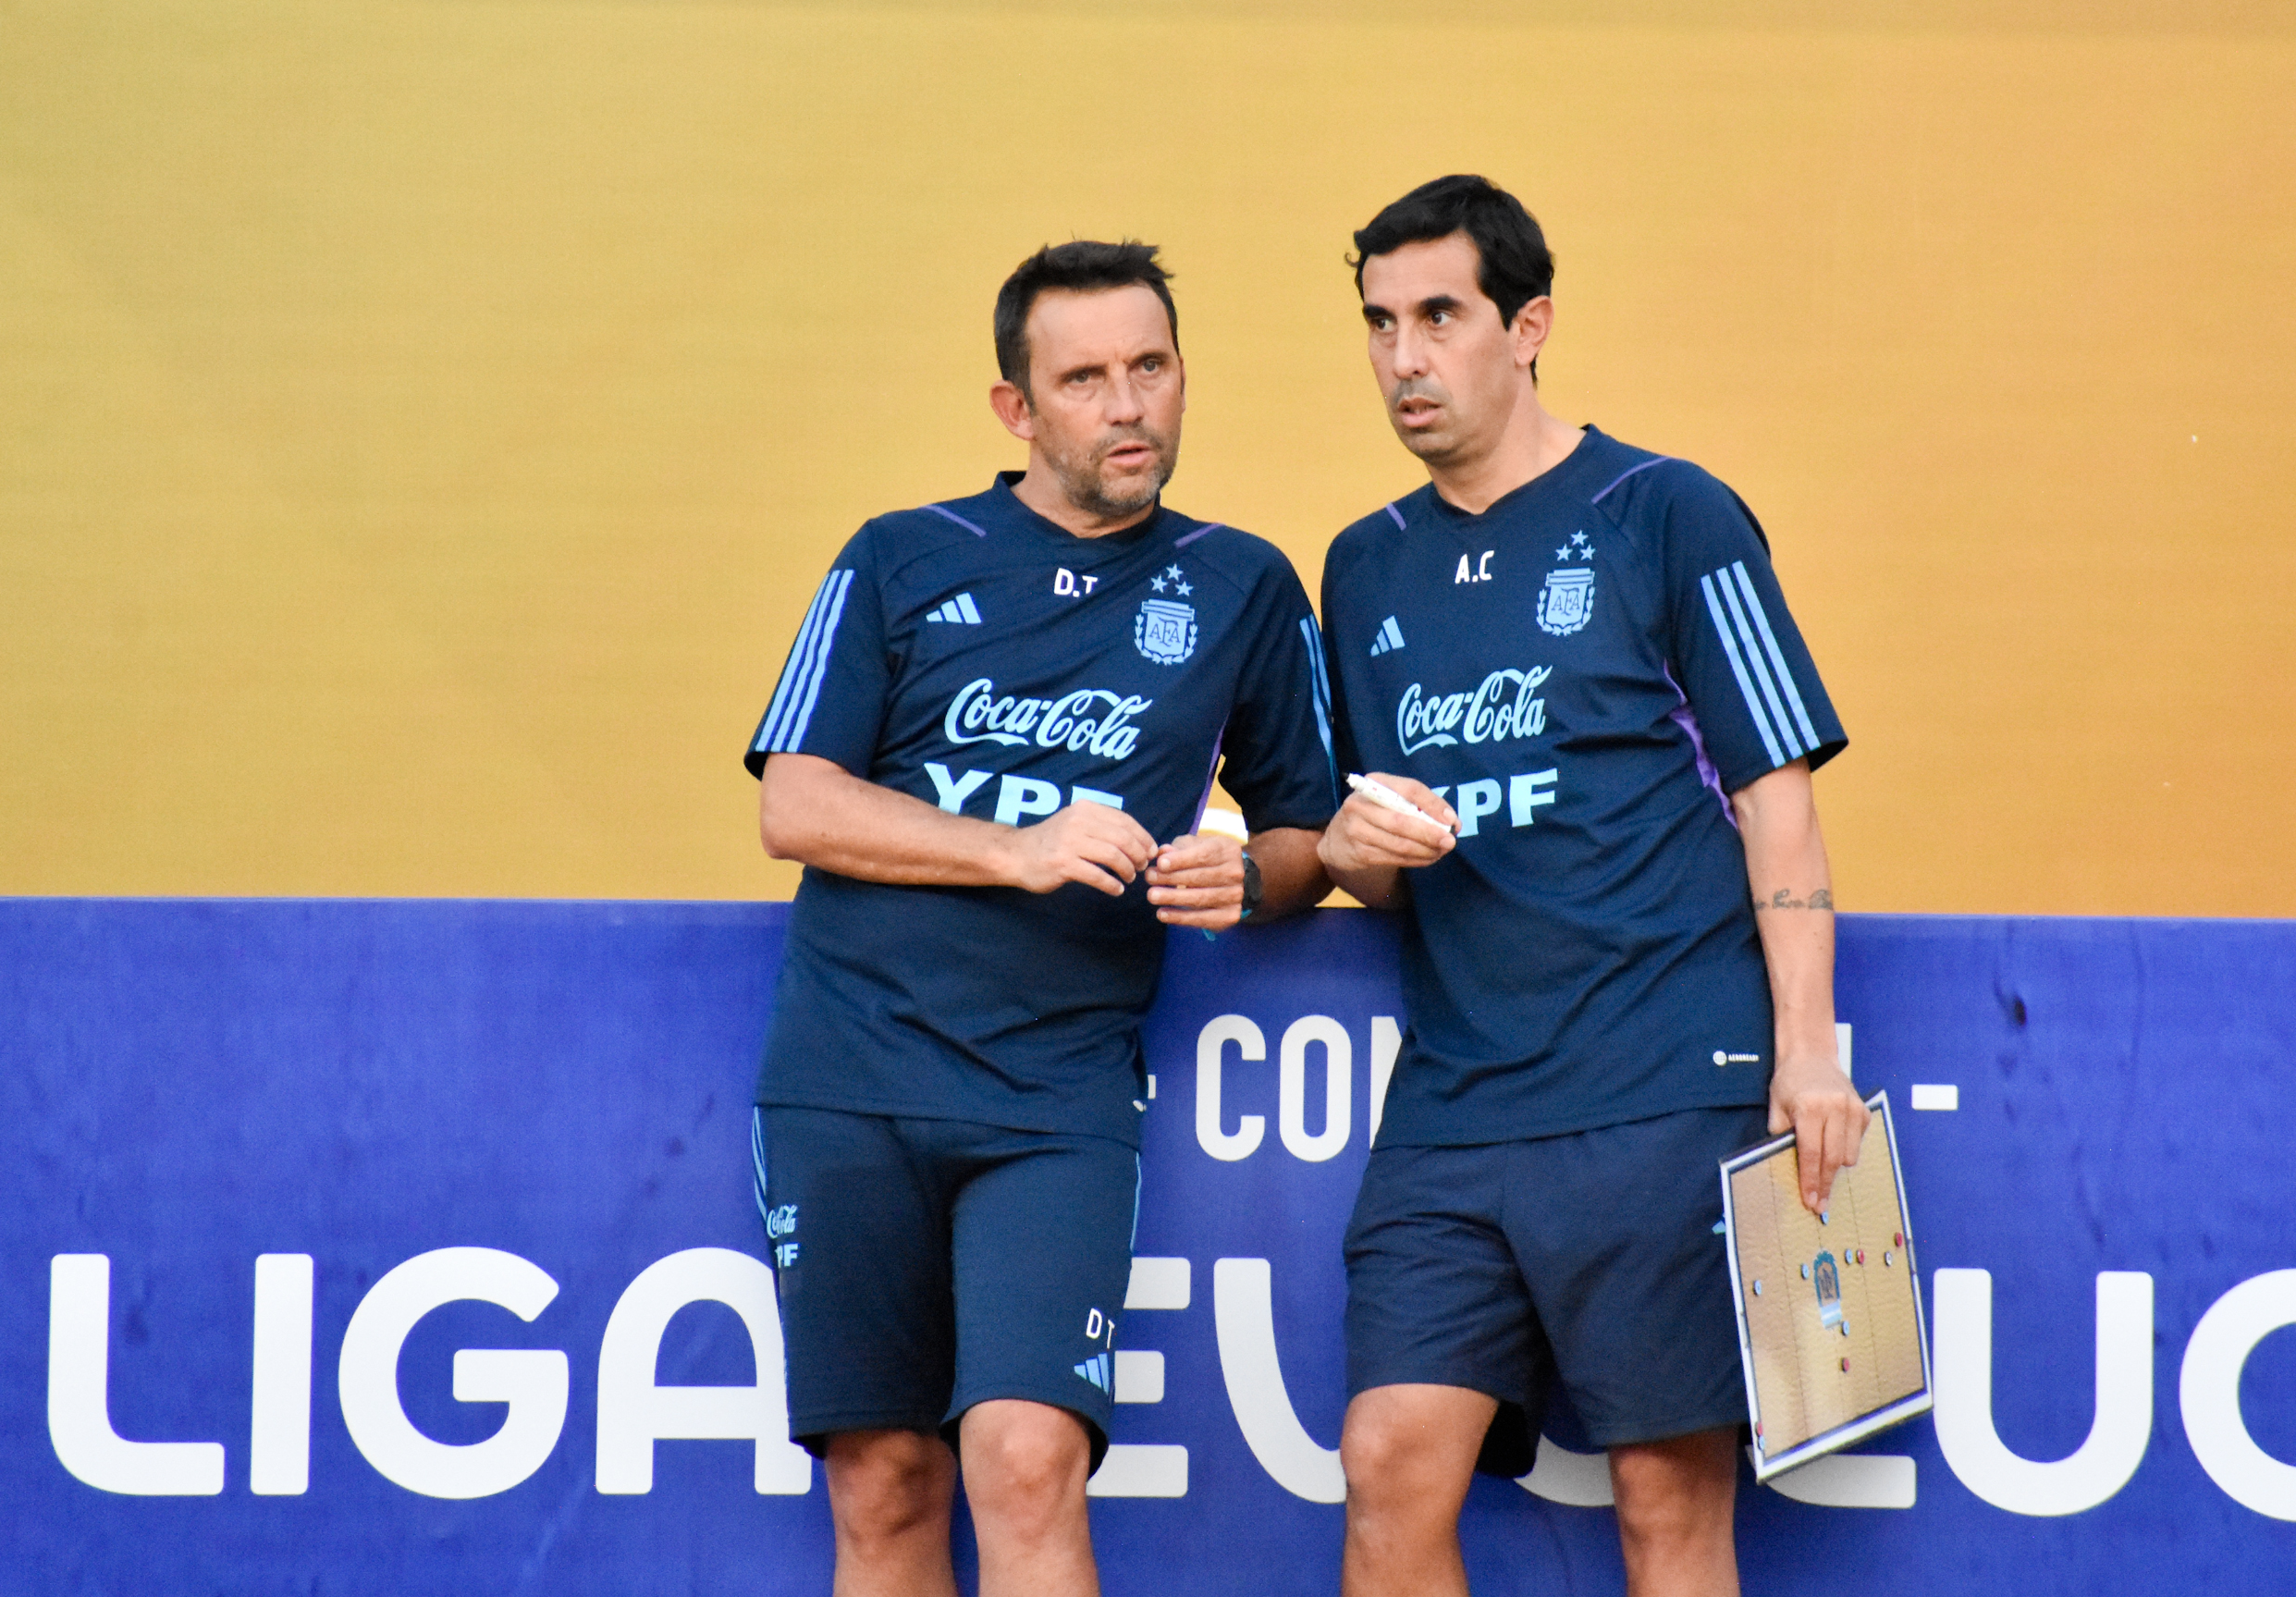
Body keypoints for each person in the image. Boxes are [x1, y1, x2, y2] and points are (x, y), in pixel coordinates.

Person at [742, 240, 1338, 1597]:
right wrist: (1016, 852)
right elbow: (797, 803)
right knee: (884, 1481)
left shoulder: (1242, 582)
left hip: (1056, 1095)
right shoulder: (900, 555)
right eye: (1085, 379)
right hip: (852, 1076)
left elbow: (1309, 838)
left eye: (1152, 367)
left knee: (1025, 1461)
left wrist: (1251, 879)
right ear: (1016, 408)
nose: (1129, 406)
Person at [1312, 176, 1869, 1597]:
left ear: (1530, 325)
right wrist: (1355, 856)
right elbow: (1378, 859)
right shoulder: (1363, 565)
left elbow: (1777, 798)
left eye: (1441, 316)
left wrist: (1807, 1052)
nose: (1405, 358)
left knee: (1666, 1503)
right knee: (1387, 1465)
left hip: (1662, 1079)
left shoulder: (1667, 511)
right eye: (1380, 323)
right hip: (1457, 1103)